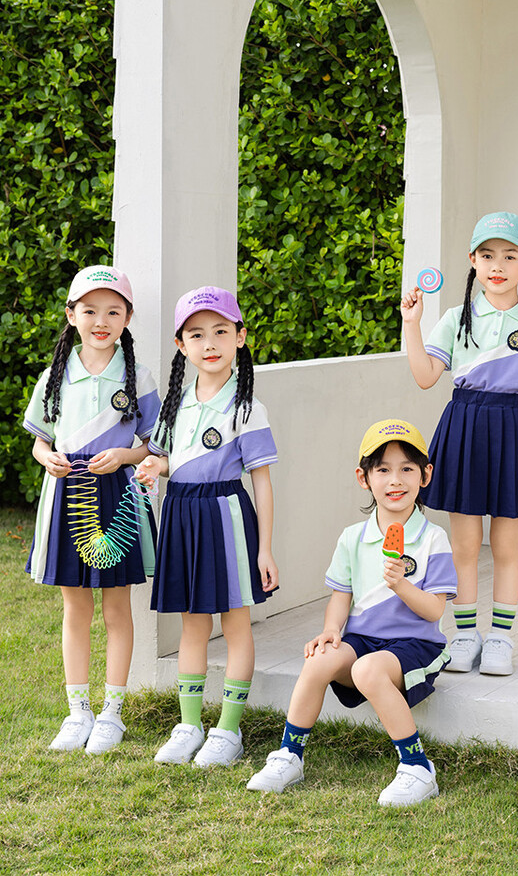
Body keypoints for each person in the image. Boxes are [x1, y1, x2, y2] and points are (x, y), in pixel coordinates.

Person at [246, 419, 457, 807]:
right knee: (319, 659)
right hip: (363, 639)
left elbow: (434, 610)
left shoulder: (433, 538)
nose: (395, 480)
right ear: (364, 478)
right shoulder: (352, 538)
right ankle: (289, 755)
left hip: (416, 644)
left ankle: (417, 767)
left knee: (367, 670)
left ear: (425, 475)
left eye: (407, 469)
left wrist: (402, 585)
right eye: (383, 470)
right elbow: (341, 596)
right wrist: (331, 629)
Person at [136, 286, 278, 767]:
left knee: (235, 624)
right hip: (180, 515)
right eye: (196, 334)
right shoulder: (173, 405)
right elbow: (168, 459)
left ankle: (228, 730)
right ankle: (189, 725)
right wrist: (154, 466)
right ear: (181, 345)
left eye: (220, 331)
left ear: (240, 336)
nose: (209, 343)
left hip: (226, 517)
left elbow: (262, 483)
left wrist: (265, 549)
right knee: (192, 624)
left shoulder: (247, 407)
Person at [400, 212, 518, 676]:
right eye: (487, 255)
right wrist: (412, 323)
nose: (497, 265)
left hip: (514, 428)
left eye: (509, 256)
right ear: (472, 260)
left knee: (506, 545)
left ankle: (500, 637)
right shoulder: (454, 318)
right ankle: (465, 634)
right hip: (464, 426)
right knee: (464, 545)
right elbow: (426, 377)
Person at [23, 265, 160, 754]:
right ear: (71, 315)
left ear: (127, 318)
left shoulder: (138, 377)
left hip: (117, 497)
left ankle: (112, 713)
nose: (101, 321)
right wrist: (48, 458)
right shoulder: (54, 377)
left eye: (113, 311)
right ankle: (78, 711)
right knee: (75, 608)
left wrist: (124, 455)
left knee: (117, 607)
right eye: (90, 310)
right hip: (68, 496)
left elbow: (153, 445)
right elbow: (40, 441)